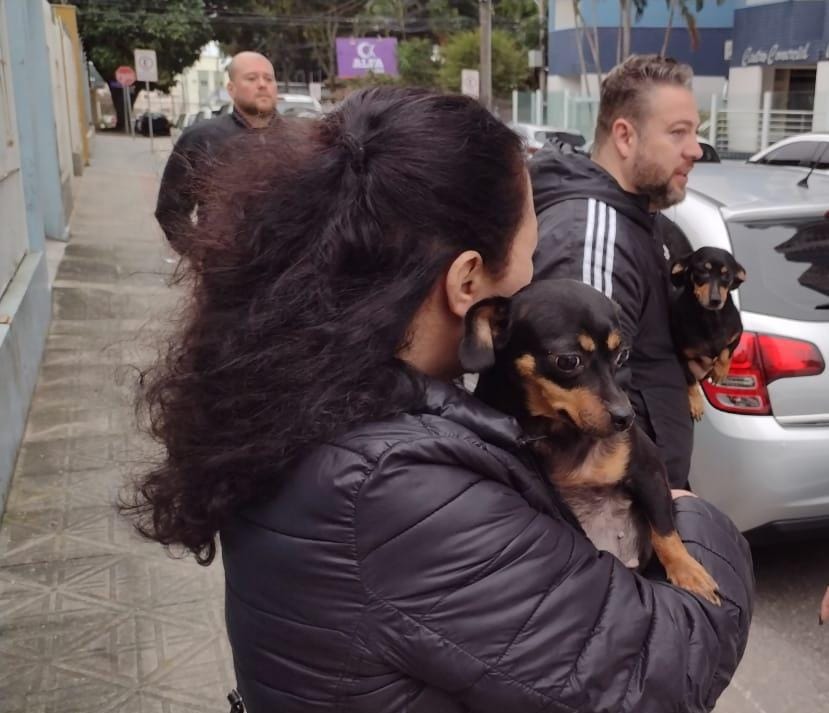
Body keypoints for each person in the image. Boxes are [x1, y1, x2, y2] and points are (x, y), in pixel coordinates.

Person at [125, 86, 753, 713]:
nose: (536, 278)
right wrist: (690, 512)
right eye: (531, 257)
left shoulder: (309, 391)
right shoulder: (397, 488)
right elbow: (657, 674)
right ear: (468, 282)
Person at [531, 54, 703, 489]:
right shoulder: (594, 236)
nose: (696, 149)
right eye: (678, 132)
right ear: (625, 136)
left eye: (696, 132)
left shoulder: (642, 221)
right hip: (616, 519)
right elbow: (578, 414)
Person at [154, 51, 279, 254]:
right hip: (227, 272)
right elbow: (170, 210)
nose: (263, 84)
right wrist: (198, 255)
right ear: (231, 89)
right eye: (251, 78)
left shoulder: (298, 138)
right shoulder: (202, 138)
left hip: (289, 274)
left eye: (269, 78)